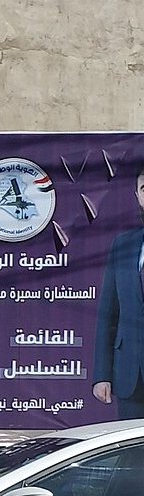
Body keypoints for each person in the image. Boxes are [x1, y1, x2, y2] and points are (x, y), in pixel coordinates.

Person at [92, 171, 144, 417]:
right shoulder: (123, 245)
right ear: (137, 195)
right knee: (131, 455)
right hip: (130, 377)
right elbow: (108, 315)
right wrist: (102, 375)